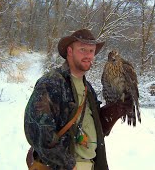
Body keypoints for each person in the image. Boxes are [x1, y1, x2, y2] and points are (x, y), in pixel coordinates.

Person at [24, 29, 132, 170]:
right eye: (83, 49)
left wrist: (111, 113)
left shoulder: (88, 88)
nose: (88, 55)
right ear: (70, 51)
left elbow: (90, 129)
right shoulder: (52, 83)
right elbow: (38, 133)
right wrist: (68, 164)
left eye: (91, 51)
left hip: (91, 164)